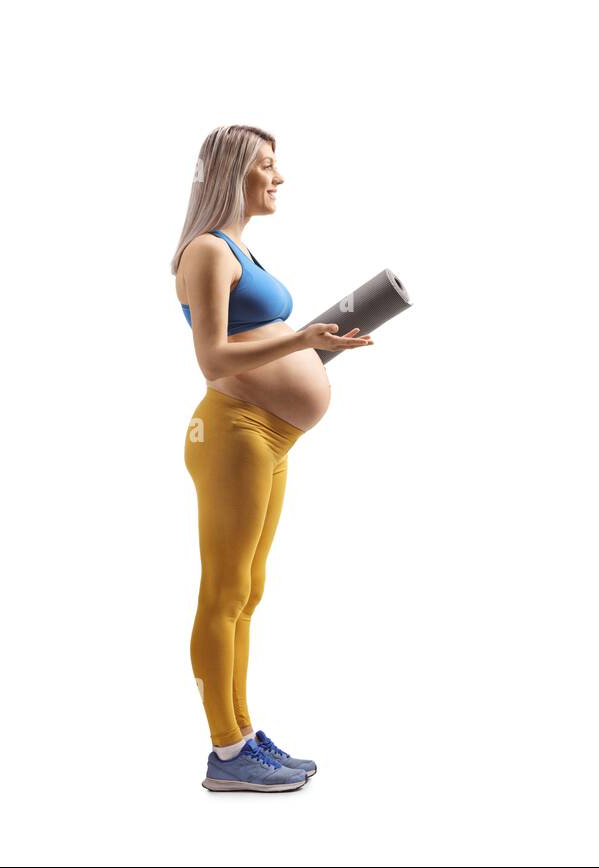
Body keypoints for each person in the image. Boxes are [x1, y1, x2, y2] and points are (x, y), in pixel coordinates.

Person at [171, 125, 373, 792]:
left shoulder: (240, 250)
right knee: (223, 592)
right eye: (266, 165)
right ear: (233, 172)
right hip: (233, 432)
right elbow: (212, 358)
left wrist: (321, 347)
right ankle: (225, 753)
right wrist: (301, 340)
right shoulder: (205, 252)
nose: (277, 177)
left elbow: (260, 339)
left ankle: (244, 733)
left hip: (271, 436)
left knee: (249, 592)